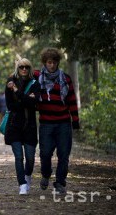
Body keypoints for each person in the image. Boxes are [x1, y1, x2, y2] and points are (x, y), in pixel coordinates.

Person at [36, 48, 80, 194]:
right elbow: (21, 77)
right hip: (46, 123)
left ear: (58, 62)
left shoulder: (65, 78)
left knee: (63, 154)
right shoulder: (37, 77)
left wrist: (75, 120)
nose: (52, 65)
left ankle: (60, 182)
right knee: (45, 153)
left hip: (63, 123)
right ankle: (46, 174)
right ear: (45, 62)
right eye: (49, 62)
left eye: (55, 62)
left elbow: (72, 100)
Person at [5, 58, 41, 195]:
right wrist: (26, 99)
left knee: (30, 159)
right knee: (19, 157)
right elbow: (10, 106)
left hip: (29, 126)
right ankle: (22, 184)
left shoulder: (35, 84)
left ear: (30, 68)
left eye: (26, 67)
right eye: (21, 67)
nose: (24, 69)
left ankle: (27, 176)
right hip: (14, 126)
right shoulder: (10, 83)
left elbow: (34, 104)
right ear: (17, 68)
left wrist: (17, 93)